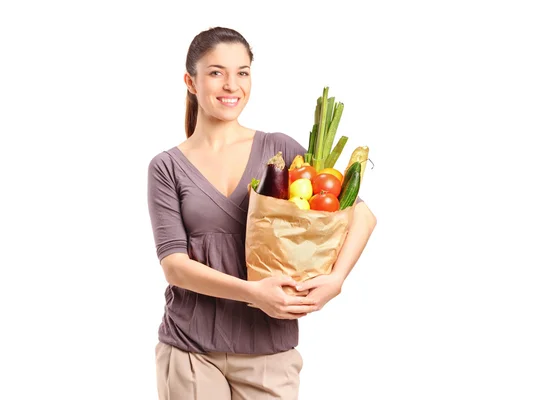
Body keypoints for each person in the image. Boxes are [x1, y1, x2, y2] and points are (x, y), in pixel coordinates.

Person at [147, 26, 377, 400]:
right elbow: (174, 266)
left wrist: (336, 282)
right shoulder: (167, 167)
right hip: (189, 348)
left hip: (270, 349)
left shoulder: (281, 150)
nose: (231, 85)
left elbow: (361, 216)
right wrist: (253, 292)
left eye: (242, 72)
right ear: (191, 81)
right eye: (216, 72)